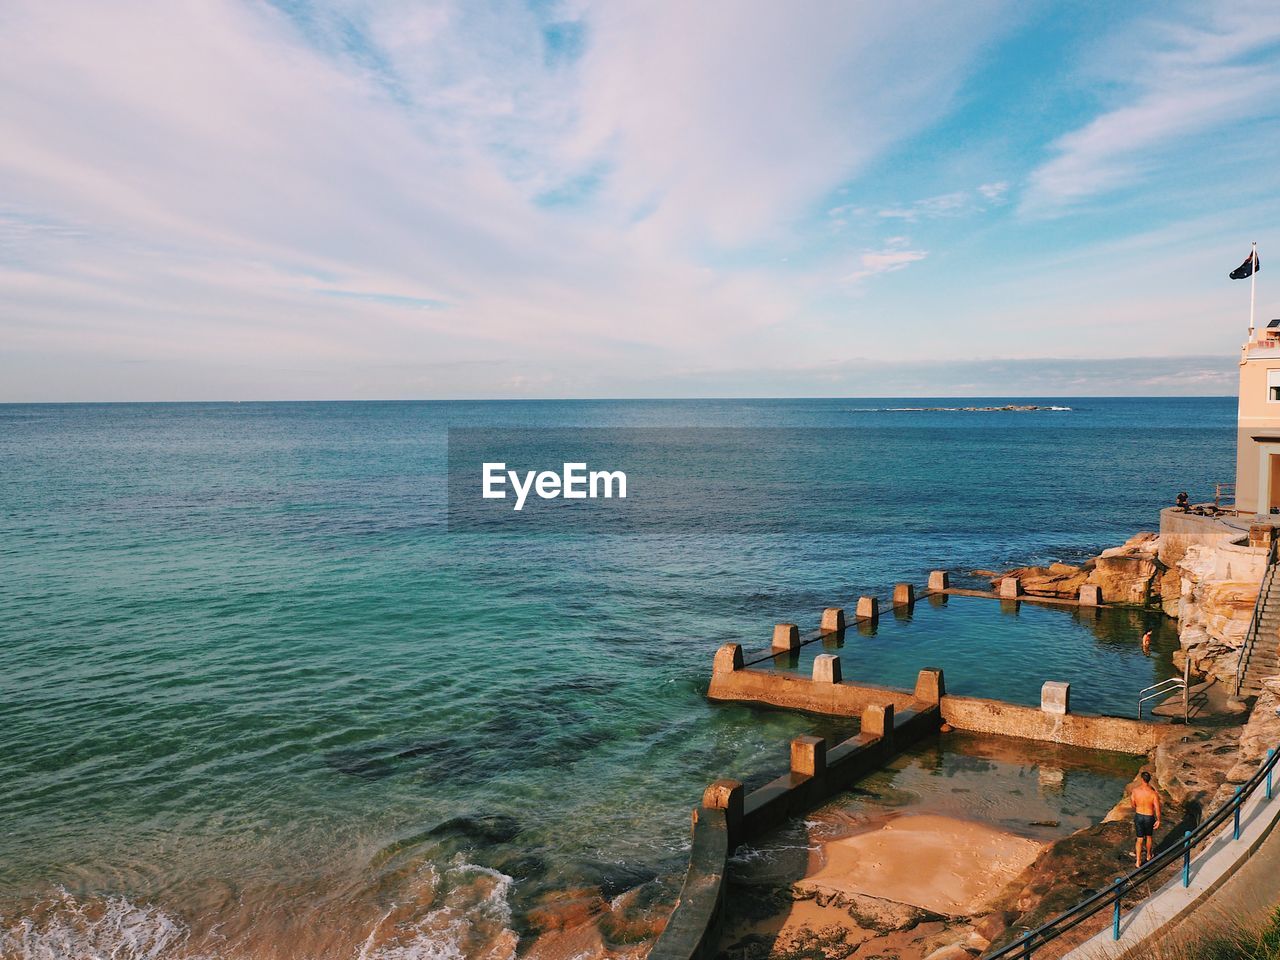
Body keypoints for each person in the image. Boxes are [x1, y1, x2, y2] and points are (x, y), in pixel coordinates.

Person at [1131, 771, 1162, 867]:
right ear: (1149, 780)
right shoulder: (1153, 794)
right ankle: (1148, 855)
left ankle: (1138, 861)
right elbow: (1157, 808)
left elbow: (1133, 804)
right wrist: (1158, 820)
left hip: (1139, 815)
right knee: (1149, 836)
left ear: (1141, 779)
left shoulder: (1135, 791)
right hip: (1149, 816)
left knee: (1139, 839)